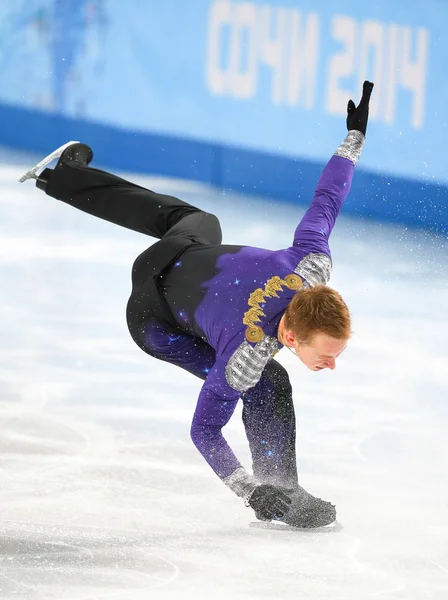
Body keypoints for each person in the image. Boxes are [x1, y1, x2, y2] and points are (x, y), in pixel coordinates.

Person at [20, 81, 374, 528]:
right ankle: (282, 492)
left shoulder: (311, 265)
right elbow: (203, 430)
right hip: (155, 318)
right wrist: (250, 491)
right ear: (288, 335)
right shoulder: (244, 356)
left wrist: (354, 137)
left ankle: (61, 176)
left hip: (183, 252)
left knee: (198, 221)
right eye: (324, 355)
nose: (332, 364)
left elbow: (328, 199)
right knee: (269, 381)